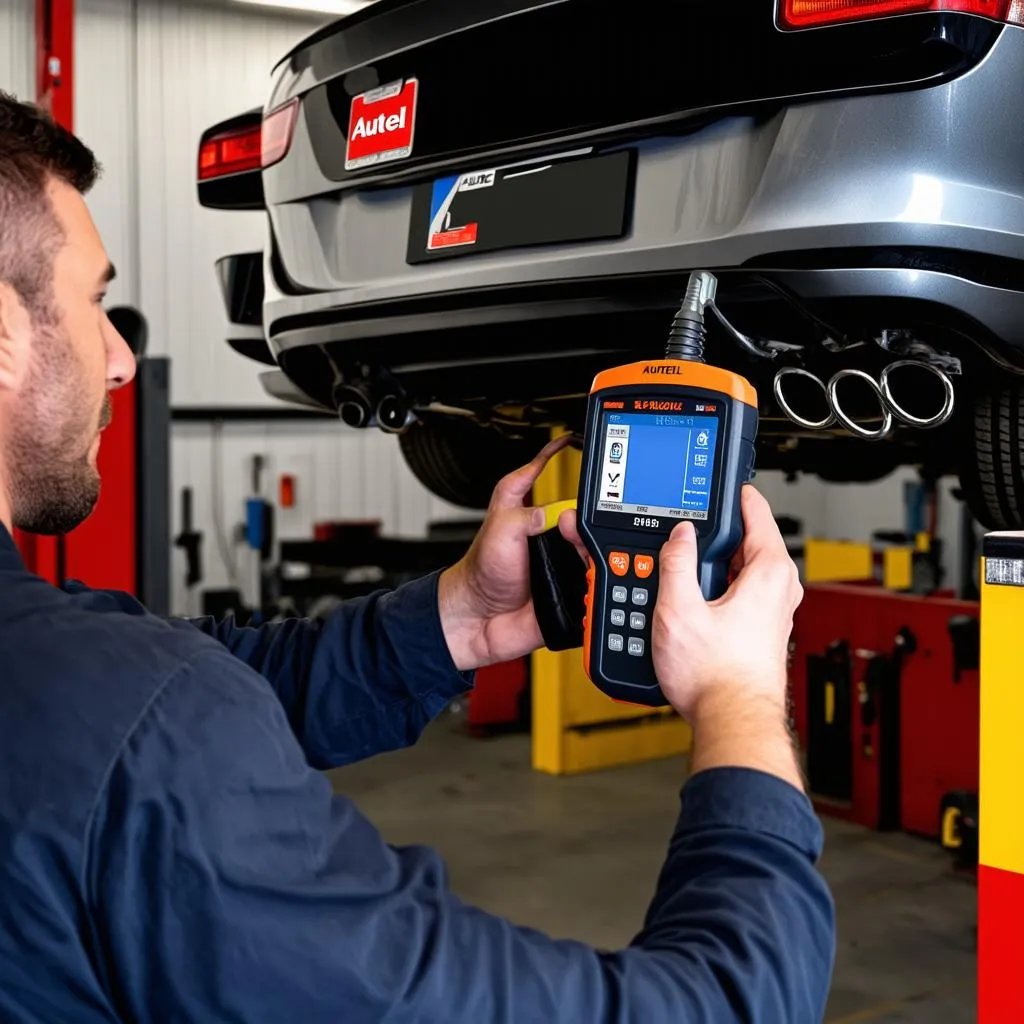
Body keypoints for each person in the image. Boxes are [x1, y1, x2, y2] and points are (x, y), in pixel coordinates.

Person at [0, 91, 835, 1022]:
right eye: (96, 302)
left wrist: (460, 618)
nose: (120, 358)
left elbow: (204, 690)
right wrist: (742, 703)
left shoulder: (77, 684)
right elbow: (725, 1006)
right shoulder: (129, 723)